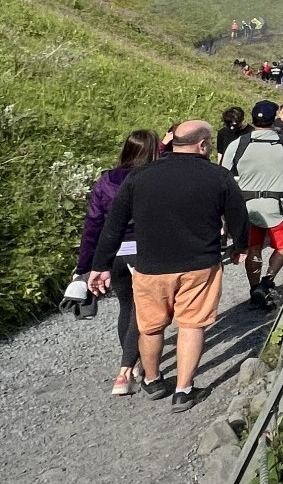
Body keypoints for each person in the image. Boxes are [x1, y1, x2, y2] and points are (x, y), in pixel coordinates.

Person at [88, 121, 249, 413]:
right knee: (192, 324)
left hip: (151, 265)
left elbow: (113, 224)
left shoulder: (139, 176)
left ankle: (152, 379)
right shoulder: (218, 176)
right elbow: (238, 216)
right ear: (202, 145)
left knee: (150, 326)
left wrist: (100, 265)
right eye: (209, 143)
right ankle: (184, 391)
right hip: (200, 264)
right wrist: (240, 246)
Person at [75, 129, 159, 396]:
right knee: (142, 310)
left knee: (126, 306)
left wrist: (85, 266)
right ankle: (126, 371)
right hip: (143, 251)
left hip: (112, 253)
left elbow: (93, 224)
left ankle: (132, 362)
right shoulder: (154, 178)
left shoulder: (106, 180)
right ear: (153, 151)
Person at [222, 101, 283, 309]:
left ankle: (254, 287)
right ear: (274, 118)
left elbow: (224, 178)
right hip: (280, 206)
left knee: (253, 249)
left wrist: (226, 209)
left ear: (252, 119)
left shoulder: (238, 144)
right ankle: (268, 281)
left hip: (247, 207)